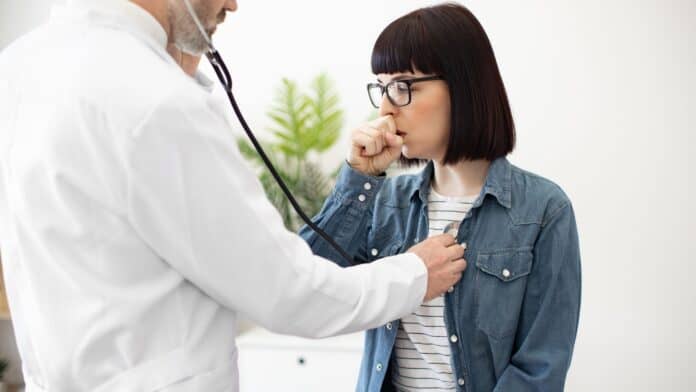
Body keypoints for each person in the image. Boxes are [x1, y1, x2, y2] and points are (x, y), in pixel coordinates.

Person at [0, 0, 468, 390]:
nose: (232, 3)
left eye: (405, 87)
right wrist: (414, 272)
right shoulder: (155, 99)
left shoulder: (21, 66)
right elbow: (291, 289)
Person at [300, 3, 582, 391]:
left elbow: (541, 368)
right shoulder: (385, 201)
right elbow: (305, 288)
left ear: (462, 86)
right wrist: (360, 179)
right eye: (381, 88)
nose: (384, 108)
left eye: (403, 87)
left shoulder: (544, 210)